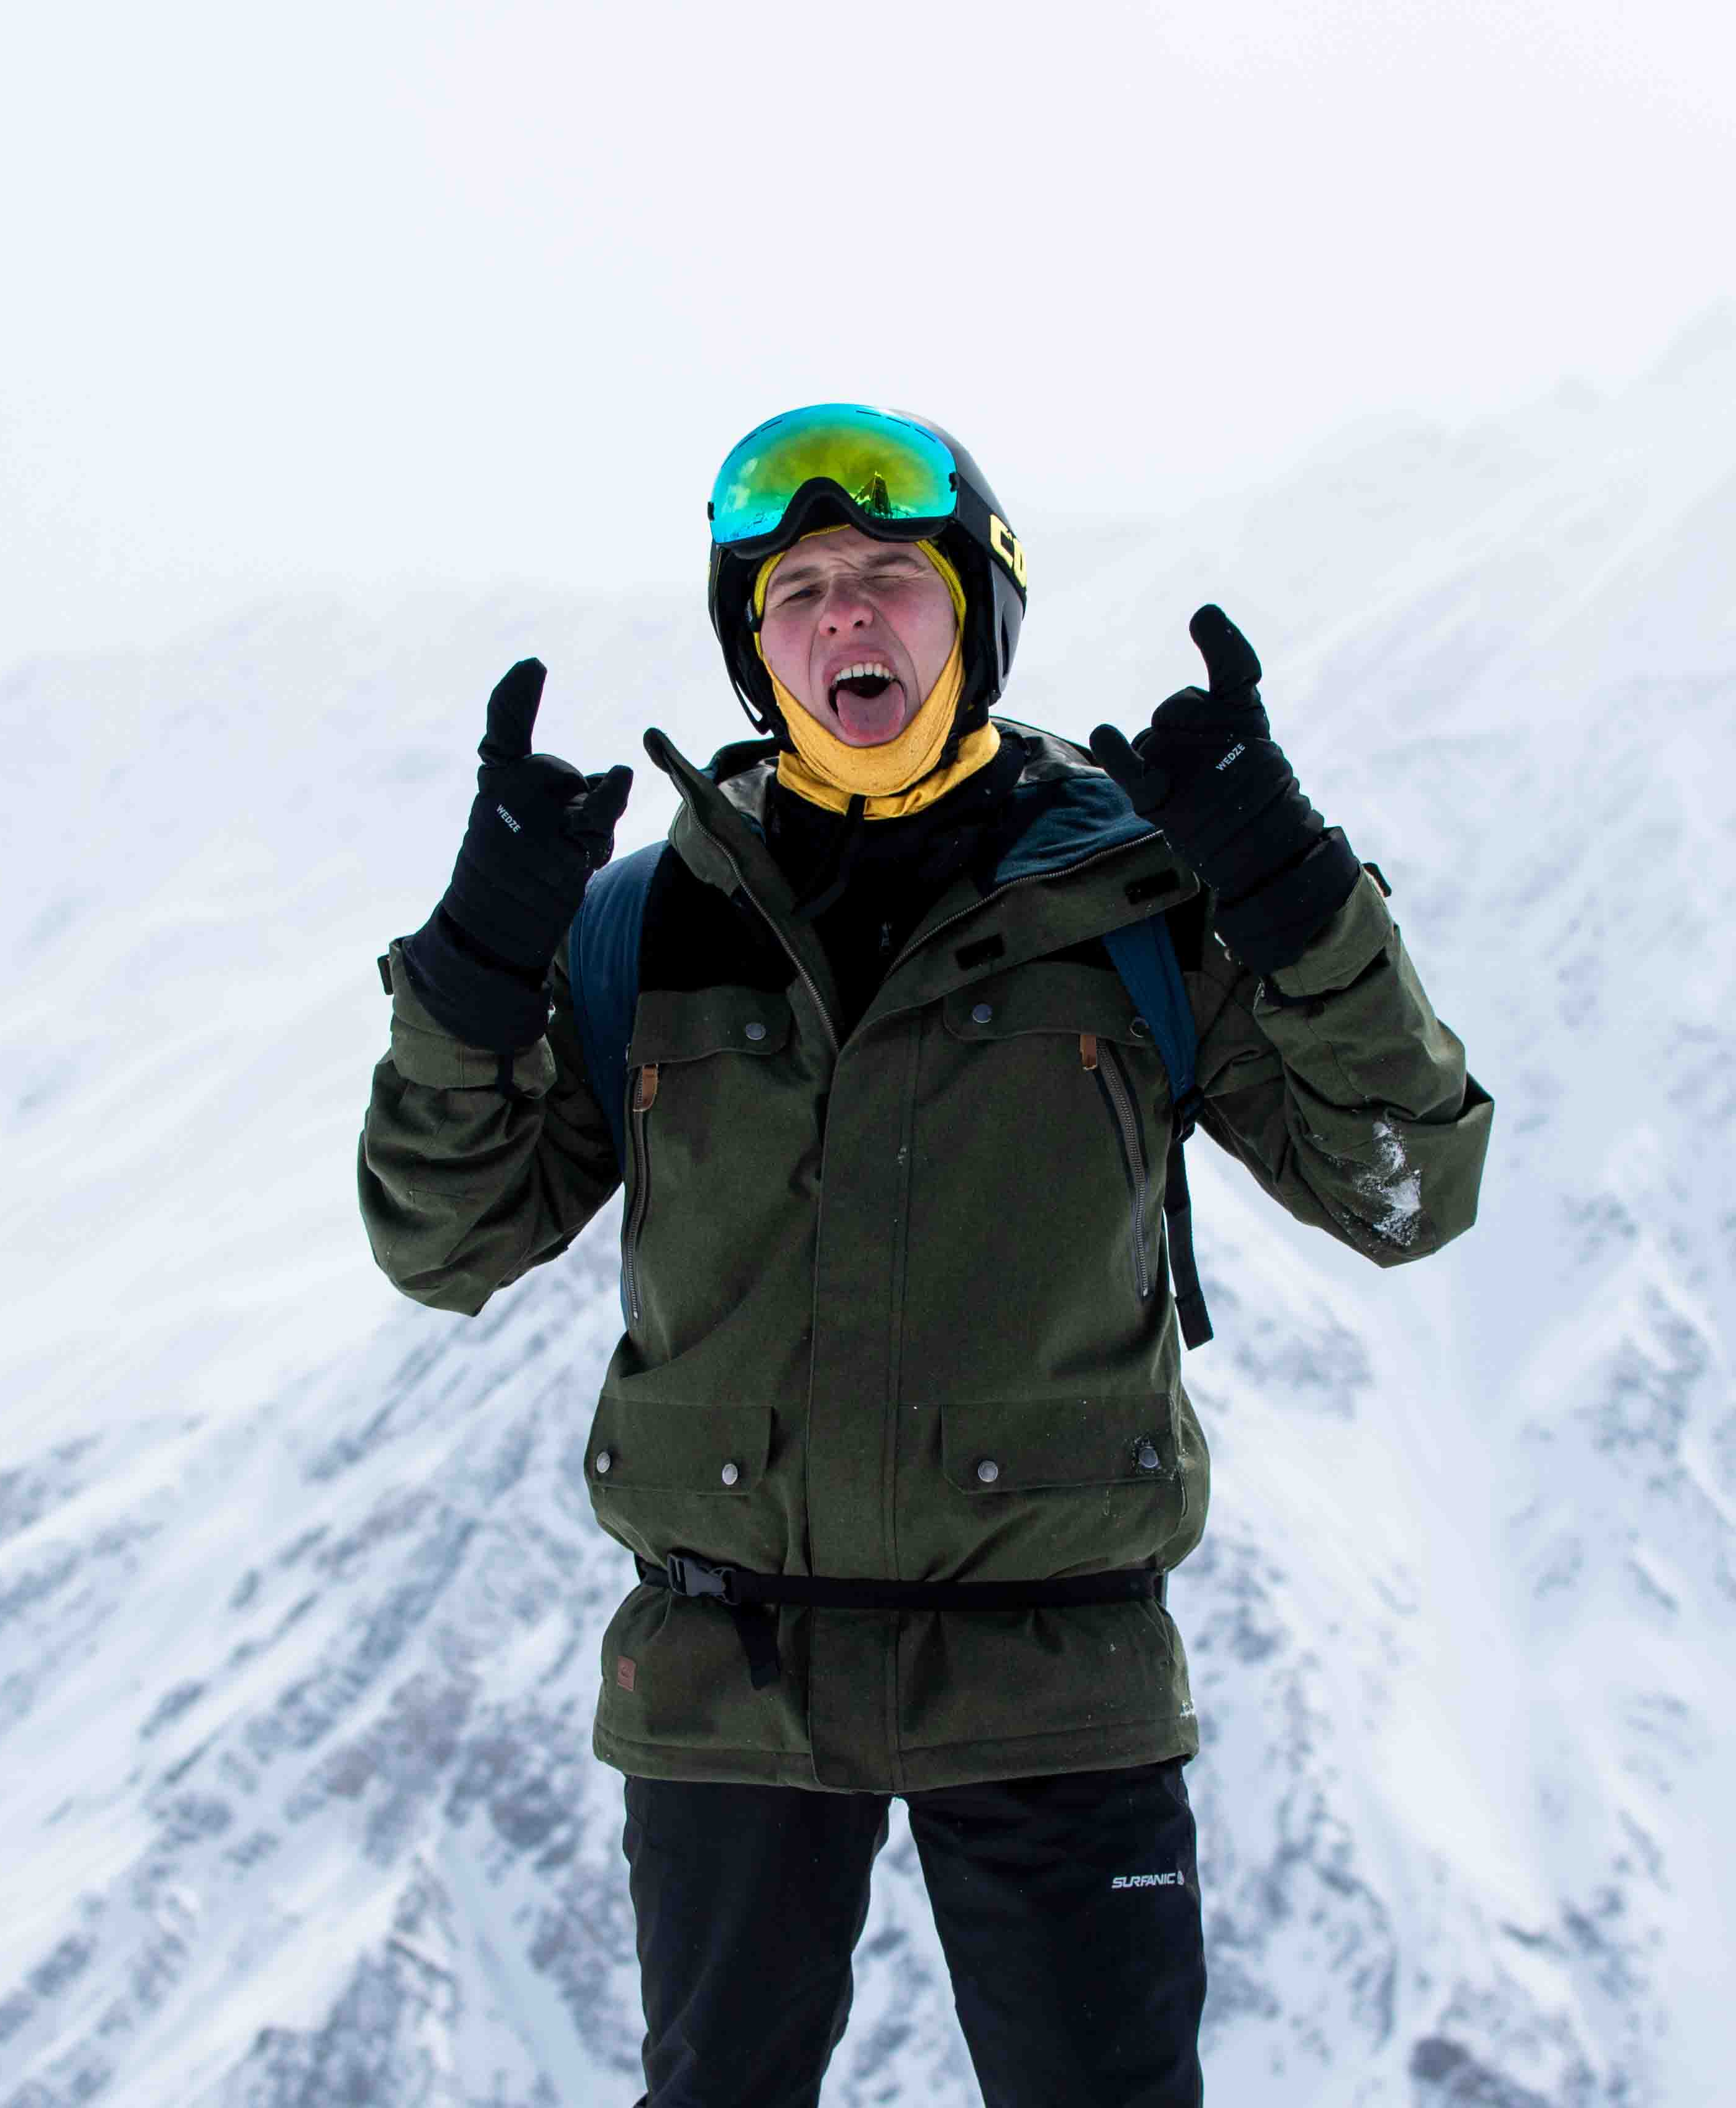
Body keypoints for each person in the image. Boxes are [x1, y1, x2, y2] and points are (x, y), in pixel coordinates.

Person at [360, 403, 1493, 2106]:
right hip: (728, 1687)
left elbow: (1402, 1191)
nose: (845, 618)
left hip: (1057, 1675)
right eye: (797, 592)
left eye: (889, 576)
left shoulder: (1138, 904)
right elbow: (443, 1239)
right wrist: (470, 967)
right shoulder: (647, 925)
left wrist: (1293, 891)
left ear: (976, 614)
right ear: (757, 653)